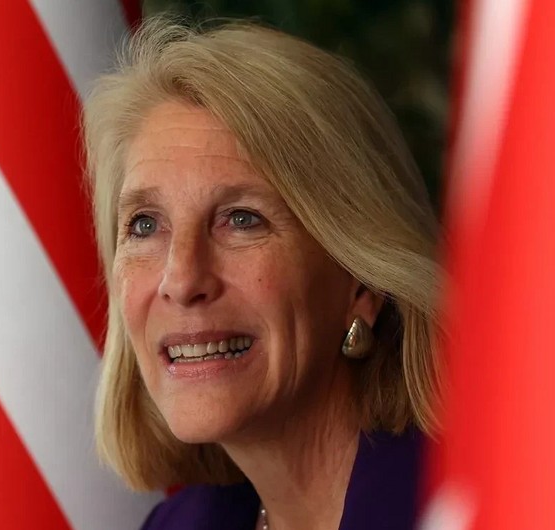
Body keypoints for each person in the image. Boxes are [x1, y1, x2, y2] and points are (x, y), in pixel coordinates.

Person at [82, 15, 443, 530]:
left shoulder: (481, 509)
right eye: (144, 225)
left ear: (361, 283)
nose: (181, 280)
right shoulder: (178, 525)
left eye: (241, 220)